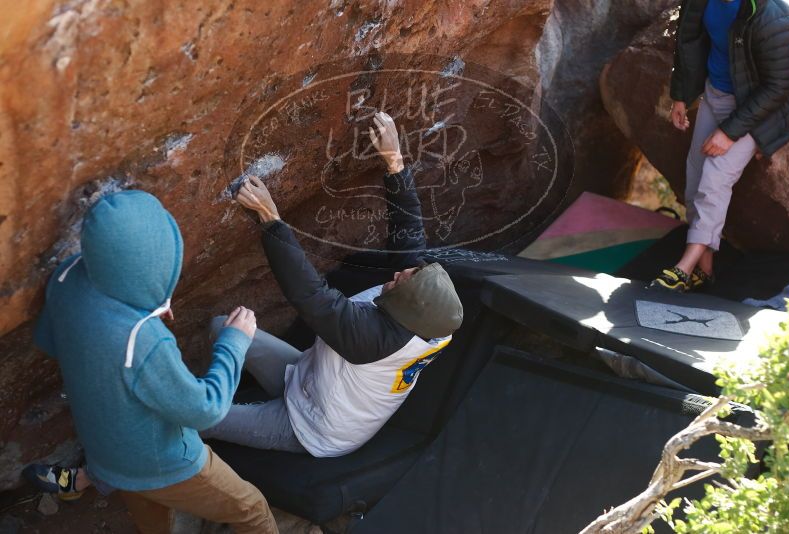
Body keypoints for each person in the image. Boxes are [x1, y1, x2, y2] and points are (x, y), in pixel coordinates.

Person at [201, 111, 464, 457]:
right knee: (221, 328)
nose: (399, 274)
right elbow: (409, 234)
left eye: (402, 280)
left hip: (313, 426)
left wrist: (270, 219)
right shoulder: (426, 314)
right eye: (410, 272)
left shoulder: (372, 339)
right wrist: (394, 161)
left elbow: (309, 295)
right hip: (307, 377)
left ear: (406, 309)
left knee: (197, 415)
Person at [25, 191, 278, 534]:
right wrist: (235, 342)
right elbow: (206, 410)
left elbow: (53, 341)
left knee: (153, 521)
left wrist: (144, 306)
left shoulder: (67, 278)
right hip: (166, 462)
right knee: (252, 509)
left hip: (108, 450)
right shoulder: (142, 340)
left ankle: (83, 480)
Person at [651, 0, 789, 292]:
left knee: (714, 182)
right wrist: (681, 95)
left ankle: (684, 267)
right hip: (714, 95)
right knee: (694, 178)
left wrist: (729, 133)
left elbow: (779, 85)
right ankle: (705, 269)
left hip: (752, 110)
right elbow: (689, 40)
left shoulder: (773, 14)